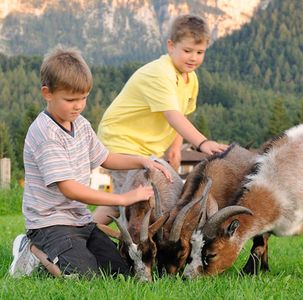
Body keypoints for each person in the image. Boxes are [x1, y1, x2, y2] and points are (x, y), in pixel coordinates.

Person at [9, 46, 172, 278]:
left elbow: (105, 158)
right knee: (84, 277)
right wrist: (122, 199)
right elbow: (70, 188)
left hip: (80, 221)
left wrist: (141, 161)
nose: (78, 105)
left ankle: (69, 251)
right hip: (49, 224)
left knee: (120, 273)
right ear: (47, 93)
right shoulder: (45, 134)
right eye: (71, 99)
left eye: (84, 98)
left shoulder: (81, 124)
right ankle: (33, 248)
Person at [93, 14, 228, 225]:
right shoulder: (160, 73)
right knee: (136, 198)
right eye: (187, 51)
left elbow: (180, 113)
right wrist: (202, 143)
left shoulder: (190, 79)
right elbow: (172, 116)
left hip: (145, 149)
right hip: (120, 141)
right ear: (170, 45)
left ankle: (85, 234)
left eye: (200, 52)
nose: (193, 57)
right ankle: (128, 247)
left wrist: (174, 151)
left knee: (122, 199)